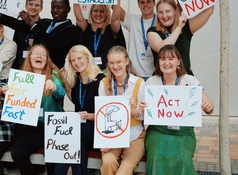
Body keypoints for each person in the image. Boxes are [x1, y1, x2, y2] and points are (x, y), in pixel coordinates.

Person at [144, 44, 214, 175]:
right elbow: (142, 112)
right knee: (157, 155)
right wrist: (142, 108)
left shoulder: (190, 81)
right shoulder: (151, 82)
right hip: (157, 131)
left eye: (171, 59)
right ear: (158, 62)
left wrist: (208, 107)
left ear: (178, 61)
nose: (166, 62)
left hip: (184, 132)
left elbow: (210, 106)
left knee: (183, 156)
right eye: (162, 59)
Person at [0, 0, 82, 69]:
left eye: (59, 8)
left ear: (68, 9)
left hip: (52, 74)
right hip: (33, 71)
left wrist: (32, 23)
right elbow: (16, 24)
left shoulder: (72, 30)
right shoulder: (45, 23)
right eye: (53, 7)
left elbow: (53, 43)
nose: (55, 10)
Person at [10, 44, 68, 175]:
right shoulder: (22, 77)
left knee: (51, 159)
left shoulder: (53, 75)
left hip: (53, 126)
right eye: (35, 53)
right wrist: (10, 93)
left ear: (47, 59)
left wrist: (54, 88)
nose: (39, 56)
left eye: (43, 54)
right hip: (32, 127)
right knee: (17, 154)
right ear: (29, 58)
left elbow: (61, 93)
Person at [147, 0, 215, 75]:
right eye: (160, 12)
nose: (164, 16)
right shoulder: (152, 31)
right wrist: (178, 28)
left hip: (184, 78)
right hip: (162, 79)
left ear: (175, 11)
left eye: (168, 11)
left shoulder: (186, 27)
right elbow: (163, 48)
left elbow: (208, 12)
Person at [54, 45, 105, 175]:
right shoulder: (77, 79)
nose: (77, 63)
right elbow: (76, 101)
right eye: (73, 60)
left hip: (97, 129)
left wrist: (90, 116)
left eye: (79, 58)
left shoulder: (101, 80)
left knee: (69, 135)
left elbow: (107, 113)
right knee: (77, 145)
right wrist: (65, 81)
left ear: (87, 58)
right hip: (81, 131)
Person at [98, 46, 146, 175]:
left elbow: (141, 116)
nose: (115, 66)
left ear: (126, 61)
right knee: (108, 161)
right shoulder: (103, 84)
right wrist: (104, 140)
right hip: (113, 134)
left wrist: (129, 109)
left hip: (134, 135)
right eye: (112, 63)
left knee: (126, 167)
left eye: (119, 62)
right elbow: (102, 116)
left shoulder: (139, 83)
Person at [65, 0, 126, 70]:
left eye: (102, 11)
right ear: (91, 12)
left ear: (107, 13)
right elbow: (79, 18)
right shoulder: (87, 27)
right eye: (95, 11)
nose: (98, 14)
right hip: (88, 71)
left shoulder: (110, 29)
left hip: (108, 71)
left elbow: (115, 19)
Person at [118, 0, 157, 80]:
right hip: (135, 73)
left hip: (156, 73)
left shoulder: (161, 20)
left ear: (154, 3)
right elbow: (115, 8)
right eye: (142, 2)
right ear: (138, 5)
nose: (145, 4)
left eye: (148, 1)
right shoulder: (133, 20)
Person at [10, 0, 43, 69]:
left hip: (38, 70)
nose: (33, 7)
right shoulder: (19, 26)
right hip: (19, 68)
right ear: (26, 6)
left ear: (41, 8)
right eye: (30, 4)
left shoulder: (44, 26)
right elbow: (15, 48)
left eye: (37, 5)